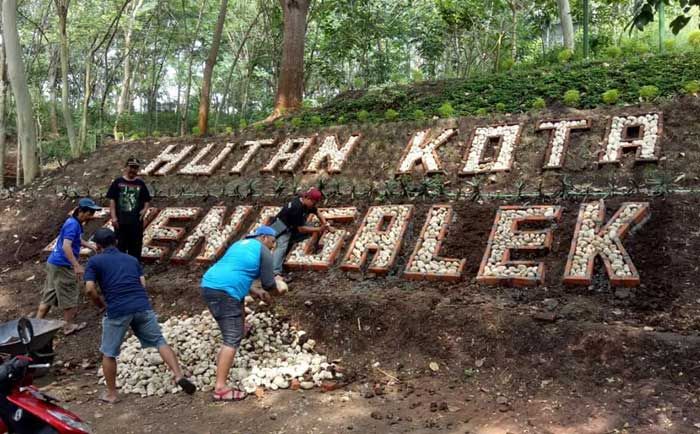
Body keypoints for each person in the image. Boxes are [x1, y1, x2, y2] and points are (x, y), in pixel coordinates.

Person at [84, 228, 196, 404]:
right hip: (141, 305)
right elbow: (142, 284)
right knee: (159, 341)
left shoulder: (94, 261)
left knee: (109, 353)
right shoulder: (131, 259)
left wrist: (101, 305)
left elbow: (90, 289)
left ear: (98, 246)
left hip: (117, 310)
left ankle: (112, 394)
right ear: (115, 242)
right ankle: (178, 375)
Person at [200, 226, 282, 401]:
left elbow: (237, 271)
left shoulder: (239, 244)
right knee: (231, 338)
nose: (273, 246)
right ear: (264, 237)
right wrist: (277, 292)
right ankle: (220, 388)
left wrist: (255, 291)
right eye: (273, 241)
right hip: (226, 291)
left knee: (237, 306)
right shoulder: (263, 250)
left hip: (209, 284)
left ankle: (240, 327)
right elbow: (269, 283)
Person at [37, 198, 100, 336]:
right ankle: (68, 326)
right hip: (63, 265)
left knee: (49, 294)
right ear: (82, 212)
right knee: (69, 294)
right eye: (90, 213)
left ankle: (36, 324)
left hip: (53, 263)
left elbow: (75, 240)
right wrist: (76, 265)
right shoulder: (73, 225)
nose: (92, 216)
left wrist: (90, 246)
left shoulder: (72, 222)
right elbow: (66, 246)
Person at [270, 187, 334, 285]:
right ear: (308, 198)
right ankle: (275, 273)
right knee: (282, 246)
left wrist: (326, 225)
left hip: (291, 225)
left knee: (310, 228)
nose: (314, 205)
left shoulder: (306, 202)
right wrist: (319, 229)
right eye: (314, 202)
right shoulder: (297, 208)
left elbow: (317, 212)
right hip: (280, 228)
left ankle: (292, 240)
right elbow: (301, 229)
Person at [106, 157, 151, 261]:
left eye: (135, 168)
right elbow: (112, 200)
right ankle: (121, 266)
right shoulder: (118, 182)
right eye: (131, 167)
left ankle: (134, 267)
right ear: (126, 167)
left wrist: (144, 210)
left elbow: (147, 200)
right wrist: (113, 217)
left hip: (136, 222)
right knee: (120, 244)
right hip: (121, 221)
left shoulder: (140, 183)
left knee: (135, 246)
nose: (133, 170)